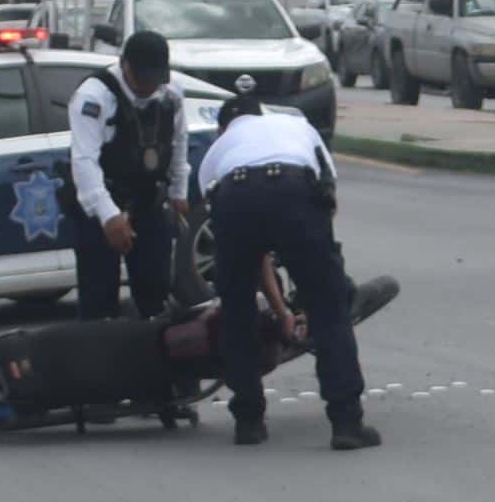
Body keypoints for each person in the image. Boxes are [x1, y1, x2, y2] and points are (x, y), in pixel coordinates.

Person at [191, 66, 372, 449]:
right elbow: (327, 201)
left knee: (236, 310)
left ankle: (249, 421)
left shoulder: (217, 151)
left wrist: (277, 306)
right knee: (329, 305)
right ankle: (346, 423)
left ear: (225, 128)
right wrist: (309, 290)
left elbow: (242, 245)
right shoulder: (297, 128)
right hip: (294, 188)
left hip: (234, 197)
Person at [59, 28, 191, 322]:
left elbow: (178, 143)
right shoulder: (94, 97)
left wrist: (179, 193)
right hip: (101, 203)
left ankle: (153, 362)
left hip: (148, 201)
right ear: (125, 65)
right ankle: (98, 363)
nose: (148, 86)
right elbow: (84, 161)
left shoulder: (171, 94)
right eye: (142, 79)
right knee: (98, 299)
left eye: (155, 79)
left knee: (155, 294)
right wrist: (109, 216)